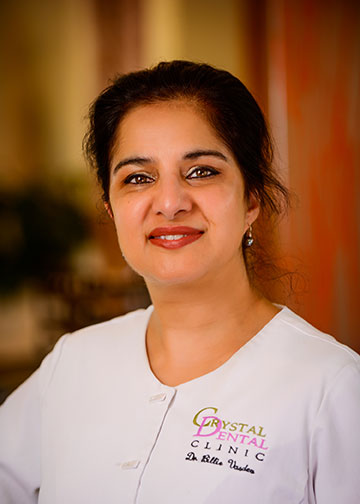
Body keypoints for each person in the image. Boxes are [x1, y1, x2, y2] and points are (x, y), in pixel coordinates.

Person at [0, 60, 359, 504]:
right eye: (138, 178)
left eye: (201, 171)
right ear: (111, 210)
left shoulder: (332, 387)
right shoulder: (73, 363)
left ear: (251, 198)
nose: (169, 203)